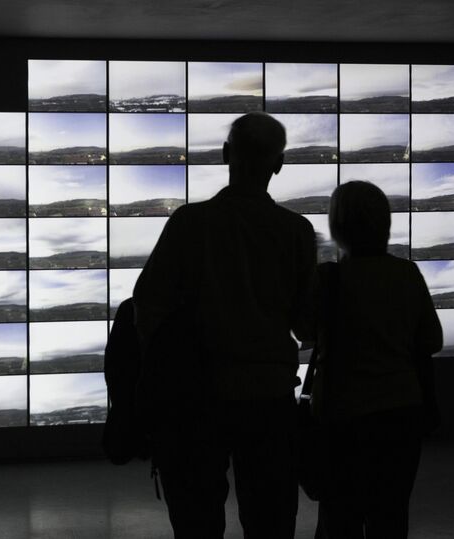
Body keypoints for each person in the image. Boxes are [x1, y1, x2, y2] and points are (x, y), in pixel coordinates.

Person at [133, 112, 317, 538]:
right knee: (270, 515)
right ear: (279, 163)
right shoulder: (296, 231)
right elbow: (308, 324)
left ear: (225, 155)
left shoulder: (190, 224)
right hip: (270, 394)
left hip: (198, 393)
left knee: (197, 516)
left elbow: (149, 304)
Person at [311, 181, 443, 539]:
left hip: (342, 418)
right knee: (391, 516)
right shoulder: (407, 274)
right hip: (401, 416)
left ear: (337, 226)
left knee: (340, 517)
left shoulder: (329, 279)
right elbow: (432, 340)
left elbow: (307, 335)